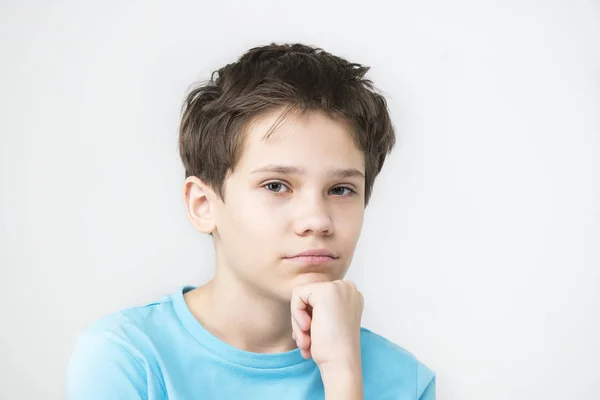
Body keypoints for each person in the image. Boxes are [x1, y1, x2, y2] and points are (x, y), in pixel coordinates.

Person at [66, 42, 436, 399]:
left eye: (341, 190)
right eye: (276, 185)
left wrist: (343, 373)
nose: (317, 221)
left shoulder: (404, 381)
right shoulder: (129, 359)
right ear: (202, 204)